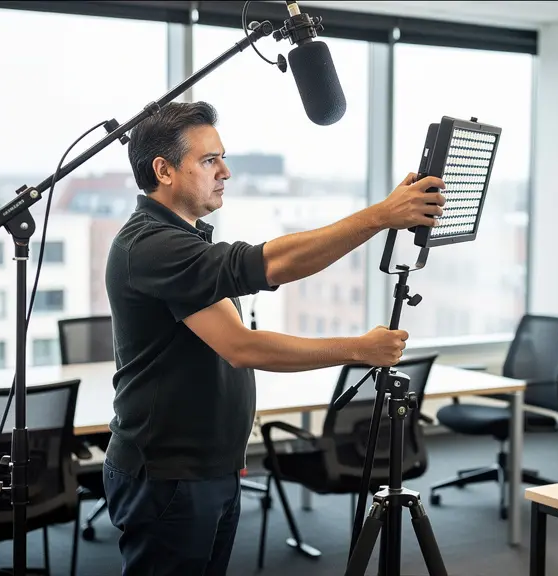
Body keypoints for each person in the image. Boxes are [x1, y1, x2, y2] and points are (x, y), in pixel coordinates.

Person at [101, 100, 446, 575]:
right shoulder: (151, 246)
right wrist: (380, 218)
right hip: (167, 472)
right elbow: (266, 284)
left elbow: (235, 343)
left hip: (208, 467)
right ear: (164, 170)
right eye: (209, 160)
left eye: (222, 158)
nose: (225, 171)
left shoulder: (183, 242)